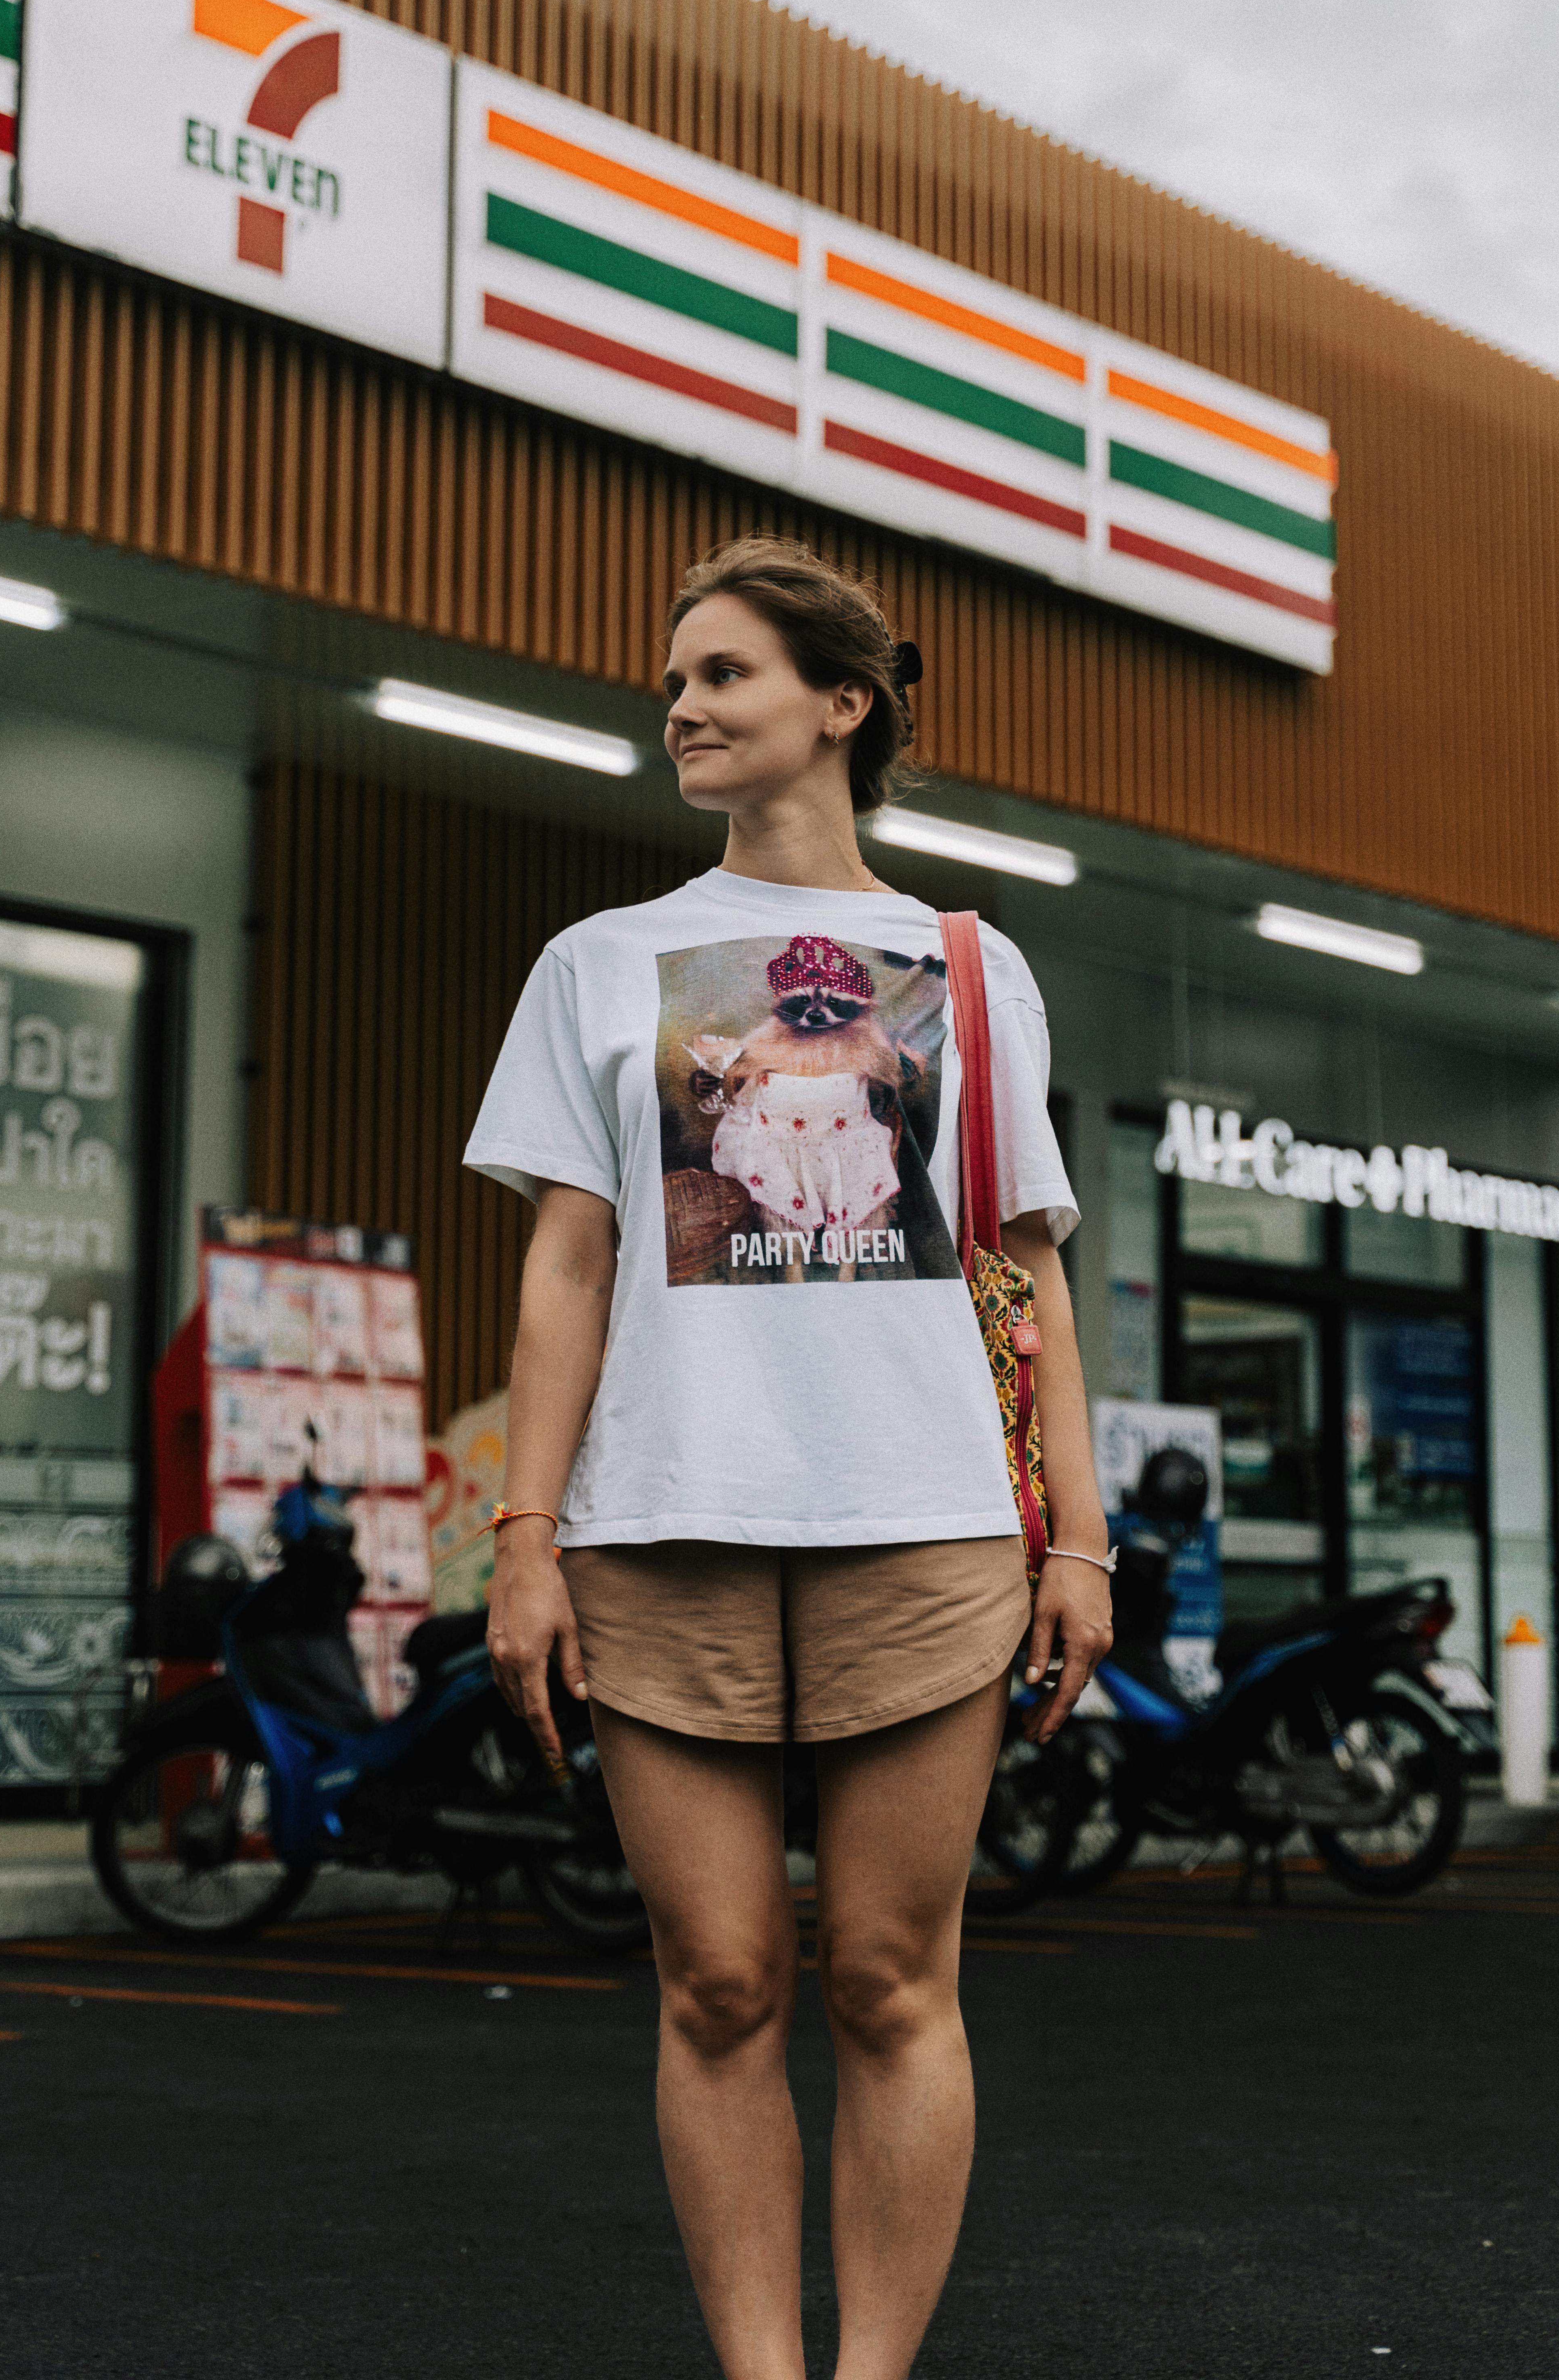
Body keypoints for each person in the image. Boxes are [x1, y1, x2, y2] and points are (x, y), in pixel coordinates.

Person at [466, 535, 1114, 2380]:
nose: (680, 704)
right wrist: (526, 1535)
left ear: (842, 704)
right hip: (660, 1526)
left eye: (723, 673)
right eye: (674, 680)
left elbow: (1026, 1274)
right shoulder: (600, 964)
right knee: (722, 1982)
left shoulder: (975, 974)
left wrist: (1079, 1544)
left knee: (894, 1984)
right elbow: (570, 1266)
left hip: (925, 1526)